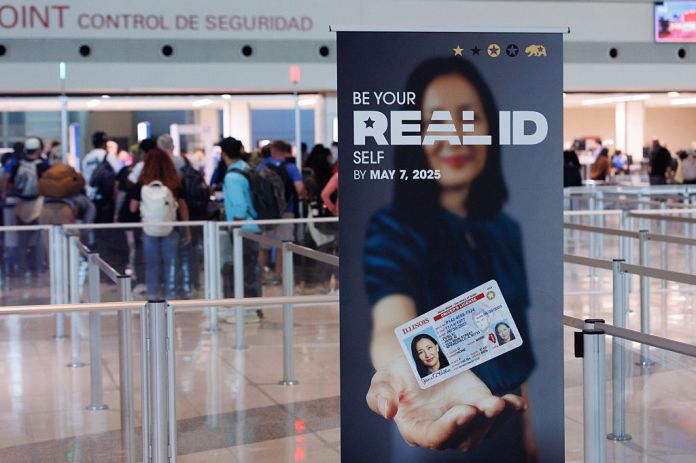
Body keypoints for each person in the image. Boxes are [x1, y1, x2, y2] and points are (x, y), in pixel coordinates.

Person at [364, 57, 536, 461]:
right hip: (436, 413)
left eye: (469, 118)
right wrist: (406, 369)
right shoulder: (393, 227)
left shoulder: (504, 229)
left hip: (506, 416)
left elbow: (513, 333)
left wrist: (528, 432)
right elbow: (389, 319)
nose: (454, 136)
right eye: (433, 122)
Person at [129, 148, 191, 300]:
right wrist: (187, 229)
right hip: (170, 228)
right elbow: (182, 206)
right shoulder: (174, 181)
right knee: (171, 264)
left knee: (151, 265)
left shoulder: (143, 182)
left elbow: (133, 207)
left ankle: (152, 296)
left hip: (149, 229)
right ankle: (171, 295)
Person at [219, 137, 263, 320]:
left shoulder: (232, 176)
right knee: (251, 268)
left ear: (223, 154)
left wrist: (234, 225)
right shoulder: (247, 168)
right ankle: (253, 308)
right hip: (255, 226)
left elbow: (239, 207)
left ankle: (246, 310)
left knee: (241, 269)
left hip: (242, 229)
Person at [257, 140, 305, 280]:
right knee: (283, 244)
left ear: (272, 151)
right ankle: (279, 275)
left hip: (267, 213)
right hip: (286, 211)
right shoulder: (291, 168)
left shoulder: (261, 167)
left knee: (264, 245)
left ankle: (259, 276)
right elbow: (299, 189)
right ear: (286, 152)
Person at [9, 137, 50, 276]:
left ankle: (21, 267)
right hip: (37, 204)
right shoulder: (43, 166)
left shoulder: (17, 165)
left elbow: (10, 183)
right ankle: (39, 267)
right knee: (39, 238)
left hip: (20, 204)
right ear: (38, 149)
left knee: (22, 239)